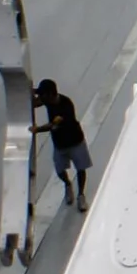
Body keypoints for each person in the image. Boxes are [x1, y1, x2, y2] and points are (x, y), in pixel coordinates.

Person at [34, 78, 91, 211]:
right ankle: (67, 184)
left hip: (75, 141)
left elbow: (52, 125)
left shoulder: (65, 106)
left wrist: (37, 130)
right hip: (60, 144)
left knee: (81, 168)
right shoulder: (48, 100)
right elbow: (36, 101)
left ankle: (81, 195)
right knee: (60, 170)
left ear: (50, 94)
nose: (40, 98)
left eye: (42, 95)